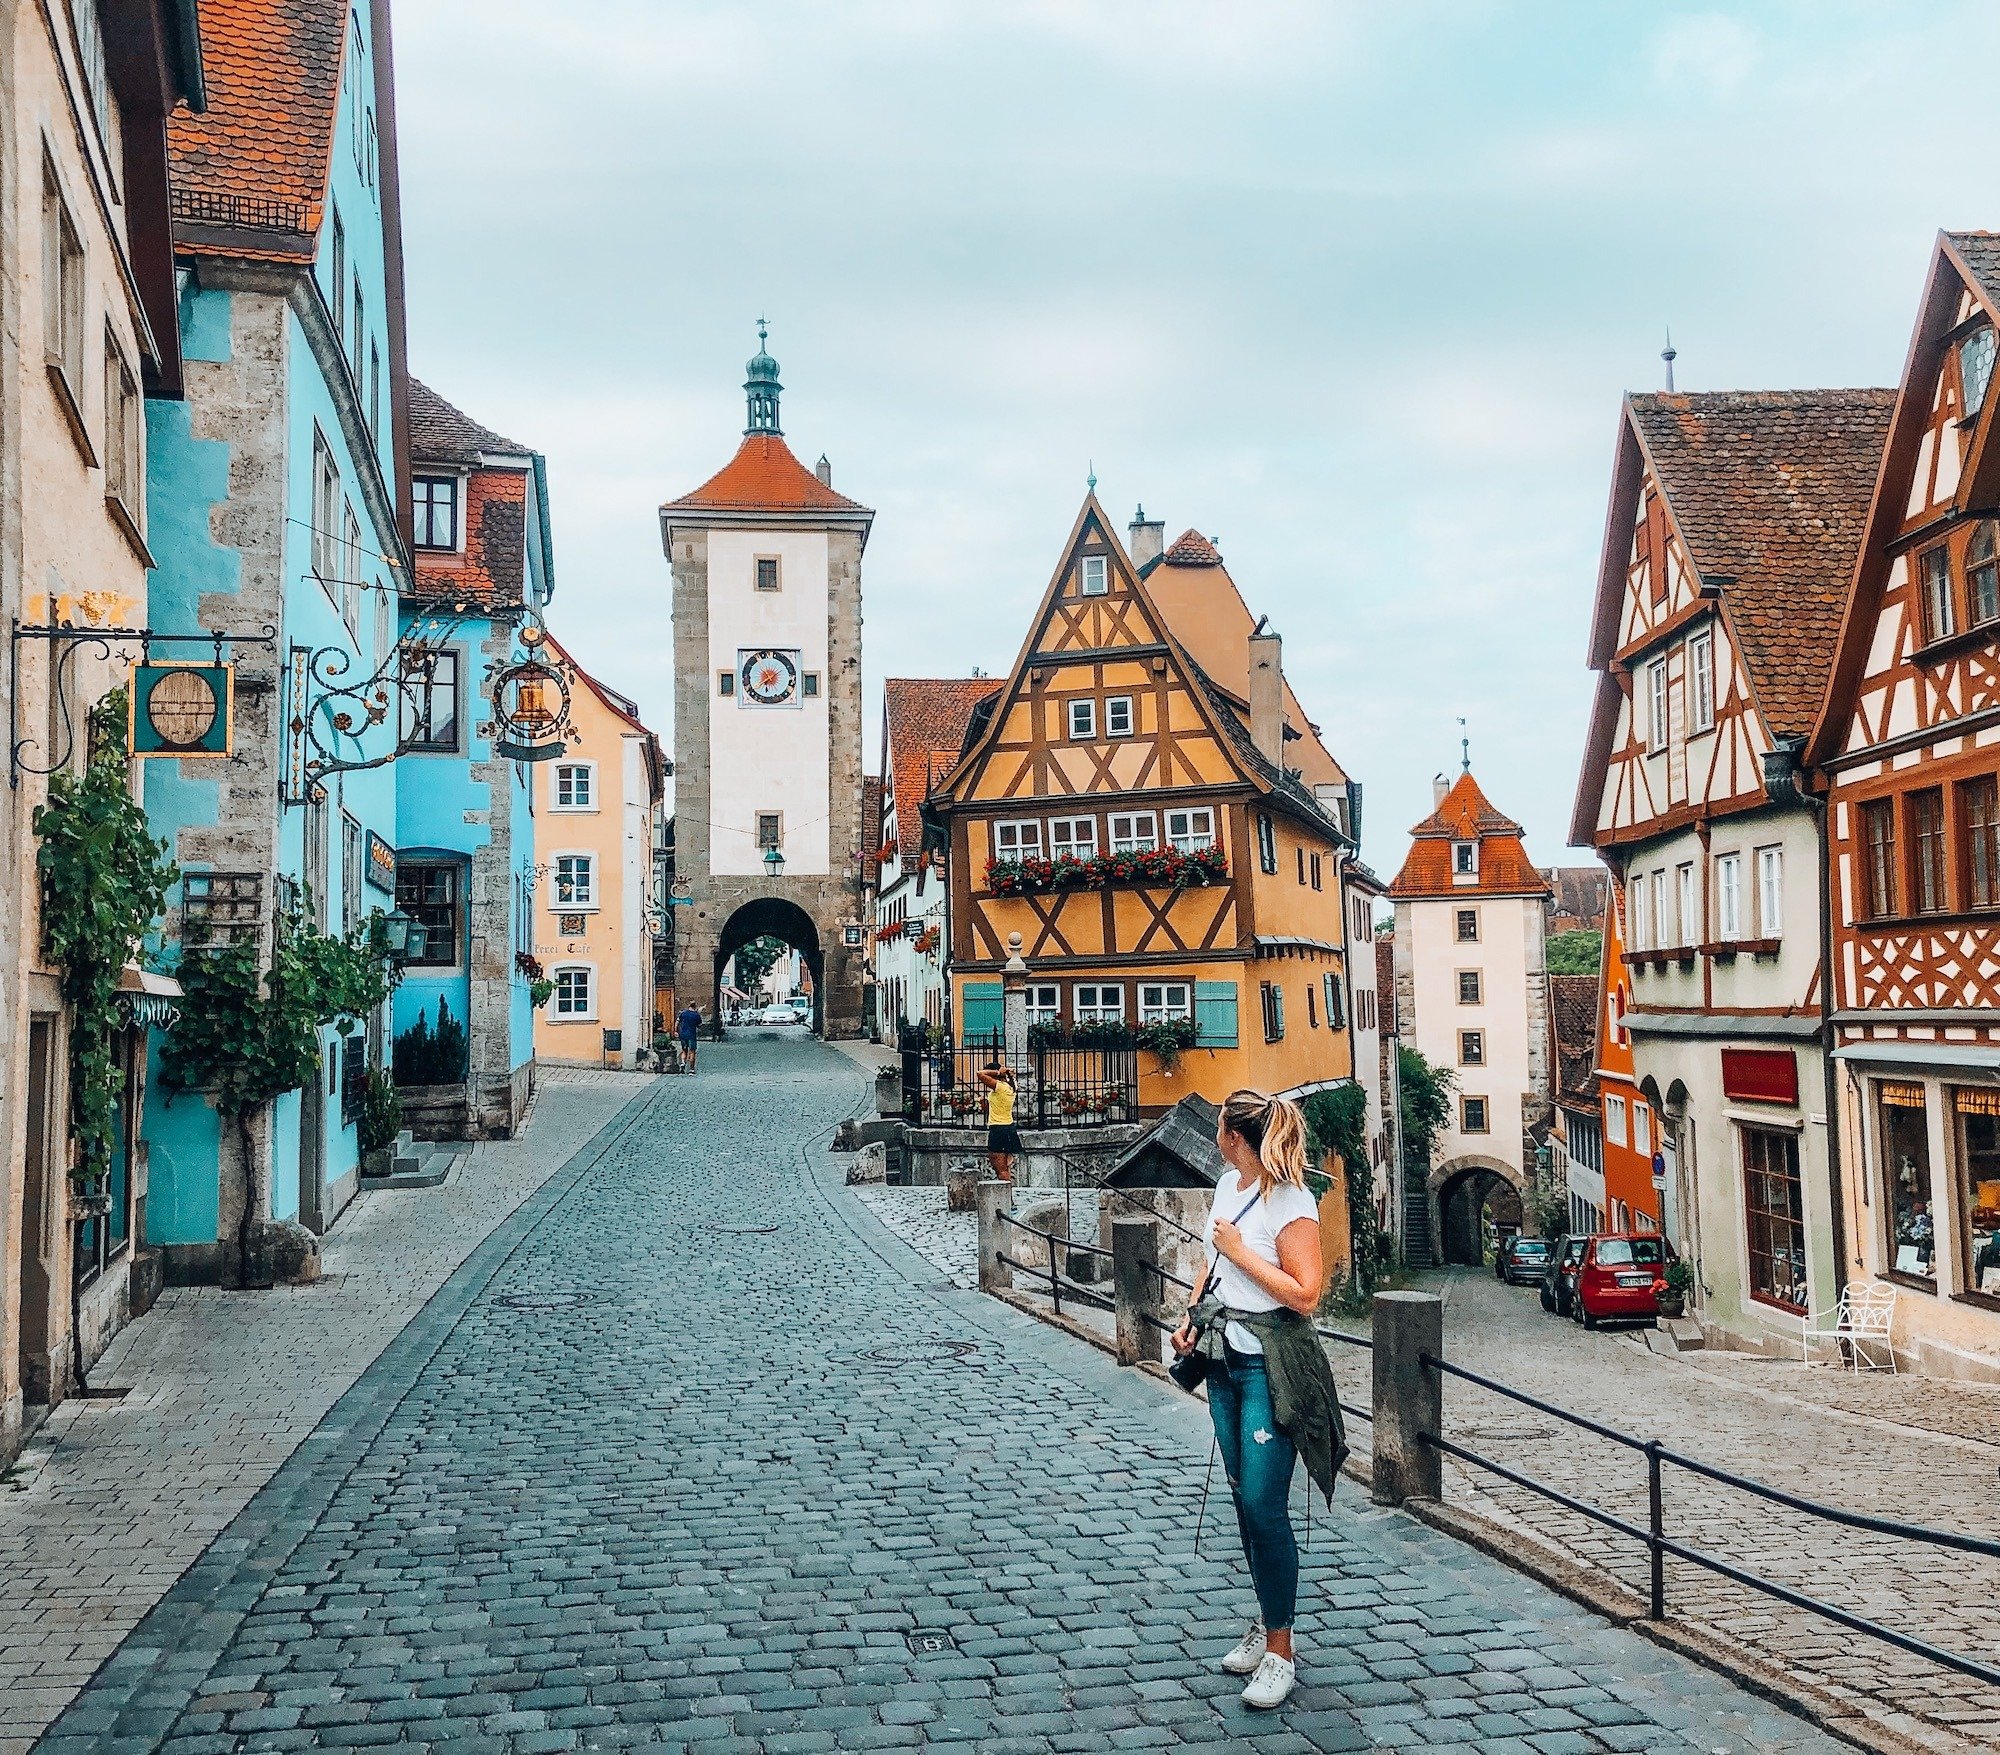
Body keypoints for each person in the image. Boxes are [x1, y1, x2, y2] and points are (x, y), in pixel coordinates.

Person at [1171, 1089, 1343, 1711]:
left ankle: (1281, 1651)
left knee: (1266, 1504)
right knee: (1244, 1497)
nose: (1216, 1132)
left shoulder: (1292, 1202)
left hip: (1272, 1366)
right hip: (1224, 1360)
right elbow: (1213, 1258)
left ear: (1234, 1135)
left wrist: (1245, 1254)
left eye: (1221, 1124)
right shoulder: (1226, 1183)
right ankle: (1268, 1621)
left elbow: (1306, 1294)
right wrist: (1193, 1315)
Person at [976, 1062, 1020, 1182]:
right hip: (1008, 1127)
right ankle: (1007, 1196)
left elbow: (980, 1074)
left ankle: (1004, 1198)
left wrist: (998, 1072)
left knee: (1001, 1170)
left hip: (999, 1129)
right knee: (1005, 1168)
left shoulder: (1000, 1086)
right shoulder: (1010, 1086)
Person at [676, 1002, 702, 1072]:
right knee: (692, 1051)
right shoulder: (696, 1015)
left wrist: (676, 1031)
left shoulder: (683, 1013)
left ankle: (683, 1063)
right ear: (695, 1006)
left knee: (684, 1050)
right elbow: (699, 1025)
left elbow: (677, 1022)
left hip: (683, 1035)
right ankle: (691, 1069)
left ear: (689, 1006)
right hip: (692, 1035)